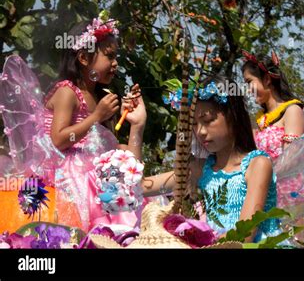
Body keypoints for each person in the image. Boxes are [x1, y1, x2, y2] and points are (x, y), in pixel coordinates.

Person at [143, 75, 280, 242]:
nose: (200, 131)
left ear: (233, 116)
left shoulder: (257, 165)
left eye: (207, 120)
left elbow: (245, 235)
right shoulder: (201, 169)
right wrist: (137, 126)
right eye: (194, 124)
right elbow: (142, 186)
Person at [42, 14, 147, 231]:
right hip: (71, 180)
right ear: (83, 58)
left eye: (116, 56)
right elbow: (59, 139)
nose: (115, 63)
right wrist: (96, 117)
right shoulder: (67, 91)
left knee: (123, 220)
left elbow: (112, 152)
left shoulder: (100, 96)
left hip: (98, 178)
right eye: (109, 56)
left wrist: (134, 123)